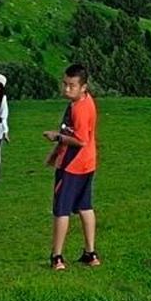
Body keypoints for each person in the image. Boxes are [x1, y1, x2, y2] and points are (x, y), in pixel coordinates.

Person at [43, 62, 98, 270]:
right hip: (87, 162)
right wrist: (55, 153)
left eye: (72, 85)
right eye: (65, 84)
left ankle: (56, 257)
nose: (67, 89)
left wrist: (55, 137)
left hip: (73, 165)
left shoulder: (80, 109)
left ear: (83, 86)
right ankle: (90, 253)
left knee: (62, 210)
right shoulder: (84, 101)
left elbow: (80, 140)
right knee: (85, 206)